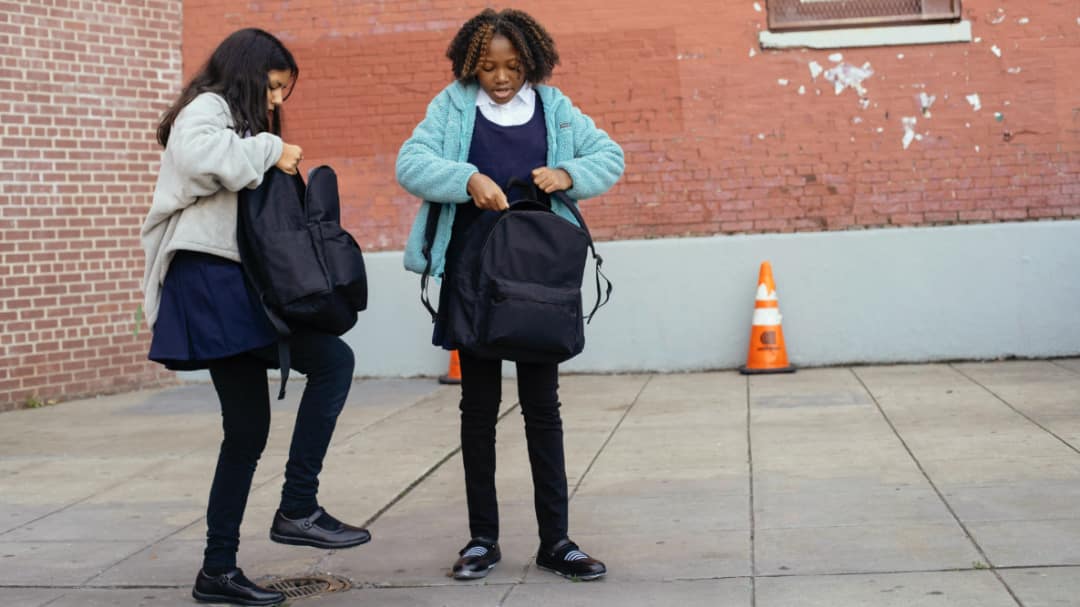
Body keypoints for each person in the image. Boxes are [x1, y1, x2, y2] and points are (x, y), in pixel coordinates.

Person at [140, 28, 370, 606]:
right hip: (208, 282)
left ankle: (221, 568)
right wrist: (271, 150)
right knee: (322, 369)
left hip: (230, 284)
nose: (275, 103)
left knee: (249, 428)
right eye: (271, 88)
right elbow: (195, 158)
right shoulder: (209, 107)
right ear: (246, 73)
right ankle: (293, 510)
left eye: (282, 94)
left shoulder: (235, 120)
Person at [396, 8, 624, 582]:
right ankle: (482, 541)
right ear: (470, 64)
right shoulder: (451, 106)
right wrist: (465, 179)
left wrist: (568, 174)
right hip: (472, 276)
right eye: (489, 67)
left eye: (513, 66)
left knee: (542, 410)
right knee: (478, 411)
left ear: (532, 62)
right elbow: (410, 162)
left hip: (538, 278)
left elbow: (610, 156)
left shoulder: (555, 108)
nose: (500, 77)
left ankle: (557, 542)